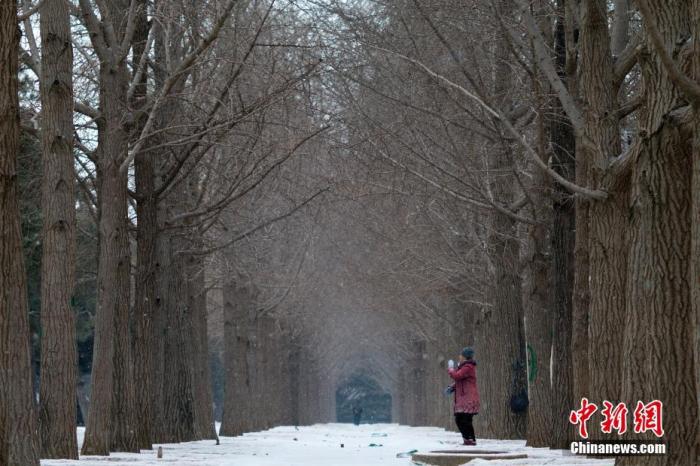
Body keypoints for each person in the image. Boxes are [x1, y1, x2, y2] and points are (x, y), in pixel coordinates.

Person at [447, 346, 480, 446]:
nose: (459, 356)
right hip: (463, 399)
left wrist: (451, 369)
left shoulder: (468, 367)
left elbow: (457, 376)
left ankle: (471, 439)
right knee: (459, 419)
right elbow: (460, 380)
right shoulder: (464, 367)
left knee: (466, 420)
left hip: (468, 398)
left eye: (461, 355)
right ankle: (467, 439)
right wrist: (452, 387)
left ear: (465, 356)